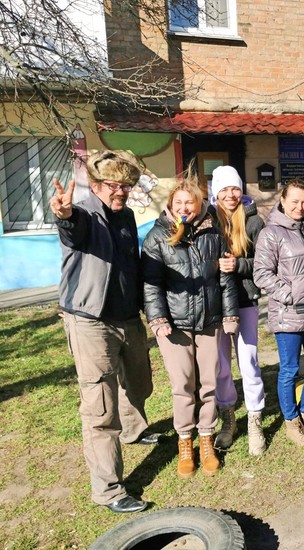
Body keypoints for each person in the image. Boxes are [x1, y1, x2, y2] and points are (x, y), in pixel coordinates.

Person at [50, 149, 156, 514]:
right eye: (115, 185)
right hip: (90, 321)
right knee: (100, 407)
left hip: (128, 318)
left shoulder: (124, 215)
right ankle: (109, 489)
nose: (122, 192)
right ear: (95, 185)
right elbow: (72, 229)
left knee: (140, 383)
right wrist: (64, 215)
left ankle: (133, 431)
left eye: (126, 185)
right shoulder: (83, 214)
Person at [142, 174, 239, 478]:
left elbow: (225, 278)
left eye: (190, 203)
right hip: (175, 326)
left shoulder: (213, 233)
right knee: (183, 385)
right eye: (179, 202)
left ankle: (206, 439)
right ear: (171, 205)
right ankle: (186, 441)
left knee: (208, 383)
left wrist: (229, 314)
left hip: (210, 322)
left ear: (199, 206)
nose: (185, 207)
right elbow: (151, 284)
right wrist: (157, 318)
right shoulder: (157, 236)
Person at [254, 179, 304, 449]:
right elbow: (261, 273)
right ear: (283, 201)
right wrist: (289, 295)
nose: (300, 207)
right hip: (289, 315)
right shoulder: (271, 233)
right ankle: (292, 421)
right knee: (289, 370)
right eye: (294, 201)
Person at [209, 166, 267, 456]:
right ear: (215, 192)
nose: (231, 194)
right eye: (224, 189)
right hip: (215, 304)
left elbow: (269, 260)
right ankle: (228, 417)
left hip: (245, 300)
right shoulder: (207, 220)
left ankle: (255, 419)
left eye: (235, 189)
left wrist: (239, 265)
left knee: (249, 361)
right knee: (221, 365)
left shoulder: (255, 221)